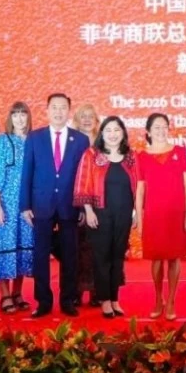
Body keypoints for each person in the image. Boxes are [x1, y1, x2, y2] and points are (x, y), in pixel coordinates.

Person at [21, 93, 89, 318]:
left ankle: (68, 300)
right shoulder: (35, 137)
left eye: (63, 108)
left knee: (70, 255)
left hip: (70, 204)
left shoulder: (80, 140)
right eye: (54, 107)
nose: (59, 112)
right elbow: (27, 172)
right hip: (41, 204)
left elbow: (83, 175)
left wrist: (82, 205)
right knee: (41, 255)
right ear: (47, 110)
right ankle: (43, 301)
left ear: (69, 111)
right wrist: (24, 205)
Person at [75, 116, 139, 318]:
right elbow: (82, 183)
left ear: (123, 134)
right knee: (101, 257)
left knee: (118, 257)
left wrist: (136, 211)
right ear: (102, 133)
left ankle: (115, 299)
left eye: (117, 130)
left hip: (124, 213)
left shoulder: (131, 157)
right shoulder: (92, 155)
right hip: (100, 212)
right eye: (108, 130)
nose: (113, 134)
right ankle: (104, 300)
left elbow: (138, 186)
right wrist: (88, 210)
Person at [138, 113, 186, 320]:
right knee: (156, 259)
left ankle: (171, 300)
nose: (161, 130)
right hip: (154, 213)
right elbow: (140, 189)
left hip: (177, 212)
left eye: (165, 126)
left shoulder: (180, 152)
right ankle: (158, 298)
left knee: (174, 257)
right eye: (156, 127)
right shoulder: (141, 156)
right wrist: (139, 216)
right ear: (148, 131)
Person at [0, 102, 34, 313]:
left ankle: (18, 292)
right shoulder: (2, 141)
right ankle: (5, 295)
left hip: (28, 204)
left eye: (23, 114)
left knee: (24, 248)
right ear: (10, 118)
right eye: (16, 115)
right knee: (5, 246)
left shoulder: (35, 140)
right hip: (6, 202)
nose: (20, 119)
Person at [72, 103, 100, 304]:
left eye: (91, 116)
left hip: (100, 203)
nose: (87, 119)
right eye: (83, 116)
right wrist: (80, 206)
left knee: (97, 249)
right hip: (77, 203)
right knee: (77, 249)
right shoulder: (72, 142)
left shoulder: (104, 141)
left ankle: (97, 293)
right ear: (77, 120)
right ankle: (76, 293)